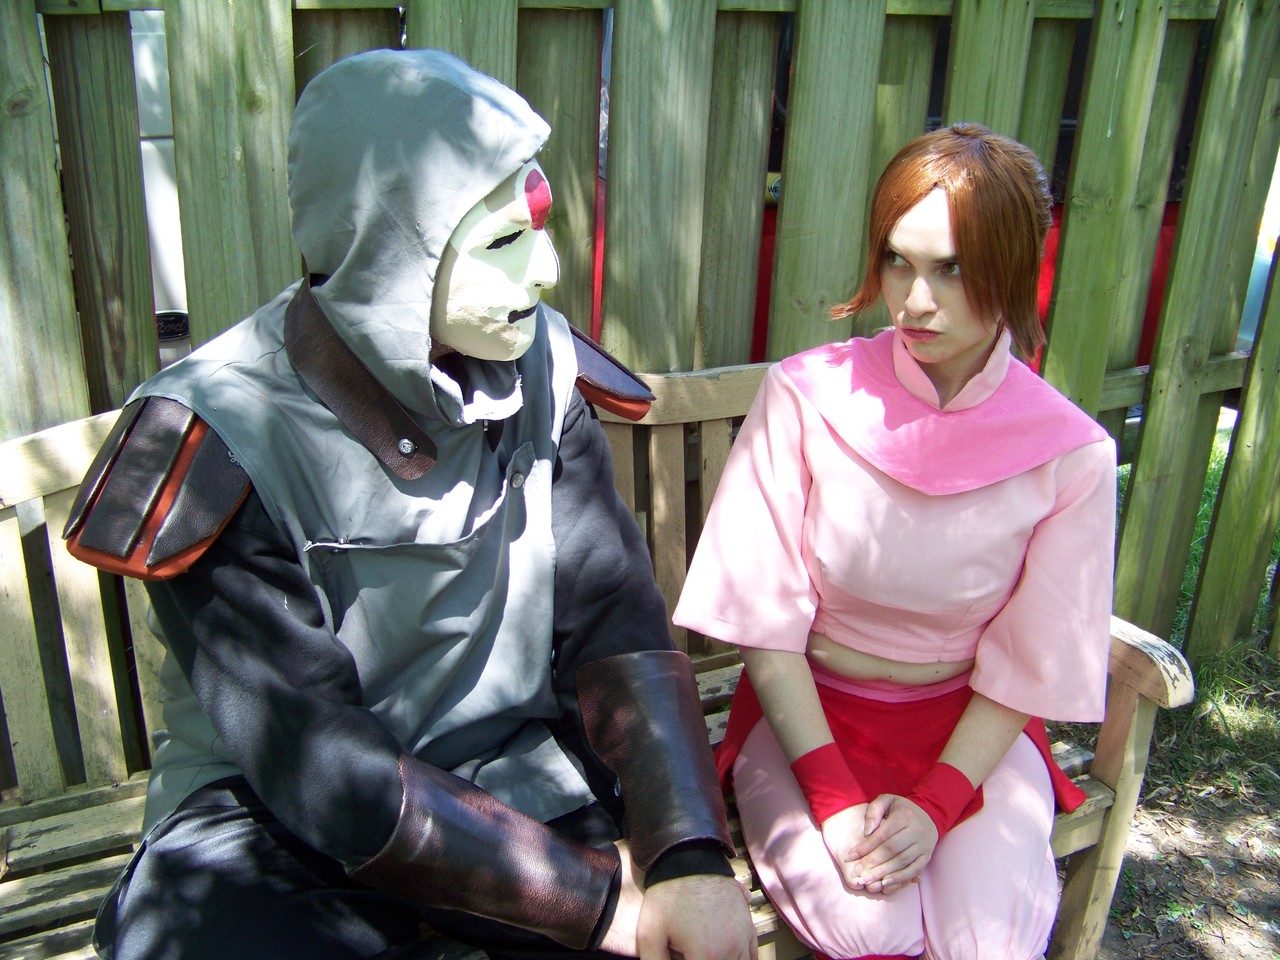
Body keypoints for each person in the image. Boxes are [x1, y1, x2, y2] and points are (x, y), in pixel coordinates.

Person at [63, 49, 755, 960]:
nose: (546, 270)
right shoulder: (218, 434)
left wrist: (687, 858)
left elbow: (612, 621)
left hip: (512, 775)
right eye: (504, 243)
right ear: (392, 253)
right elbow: (311, 757)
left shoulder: (542, 364)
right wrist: (595, 904)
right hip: (276, 822)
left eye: (538, 231)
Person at [672, 123, 1117, 960]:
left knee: (989, 944)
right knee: (869, 931)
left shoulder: (1071, 452)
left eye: (953, 269)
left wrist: (938, 802)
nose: (914, 301)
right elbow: (764, 623)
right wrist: (832, 797)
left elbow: (1033, 658)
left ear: (1016, 266)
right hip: (810, 717)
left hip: (970, 730)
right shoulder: (804, 396)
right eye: (897, 262)